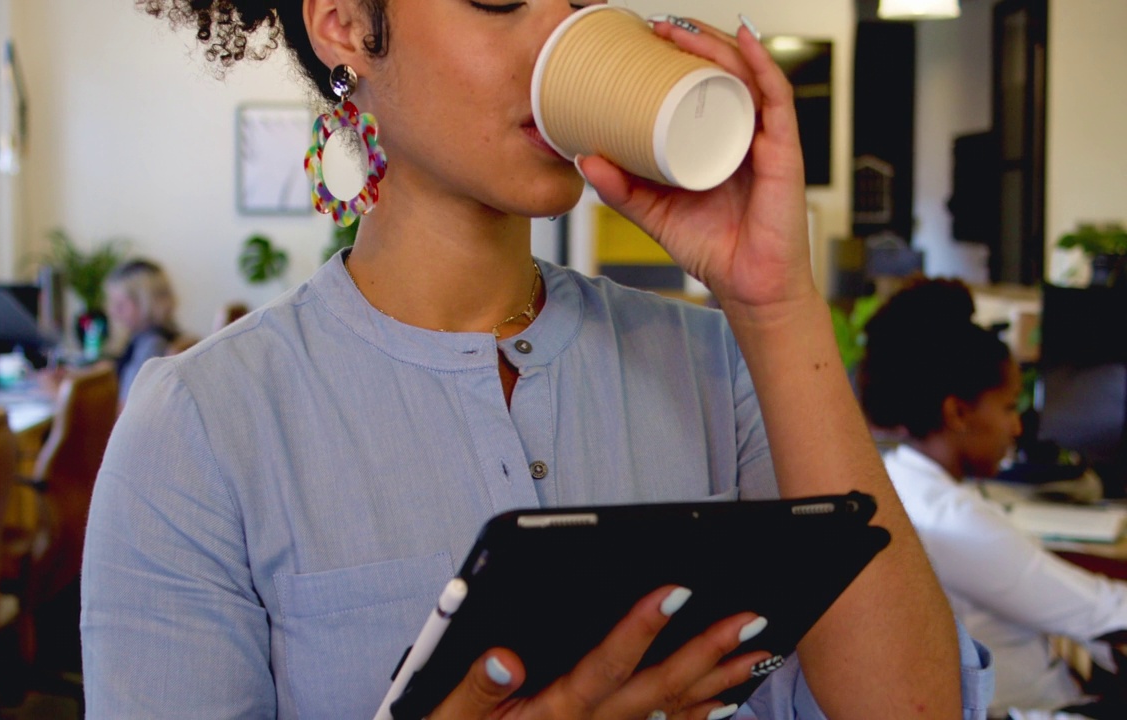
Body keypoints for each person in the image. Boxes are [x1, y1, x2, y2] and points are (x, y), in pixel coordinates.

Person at [81, 2, 992, 718]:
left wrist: (777, 304)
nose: (564, 38)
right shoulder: (201, 430)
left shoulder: (723, 369)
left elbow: (913, 708)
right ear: (346, 26)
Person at [859, 278, 1127, 719]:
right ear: (958, 413)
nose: (1017, 428)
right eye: (1008, 407)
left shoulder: (900, 481)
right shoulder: (955, 520)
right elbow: (1102, 614)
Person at [102, 258, 181, 402]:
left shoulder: (152, 347)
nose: (113, 312)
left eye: (120, 305)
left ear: (146, 303)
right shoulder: (170, 335)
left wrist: (61, 395)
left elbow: (127, 411)